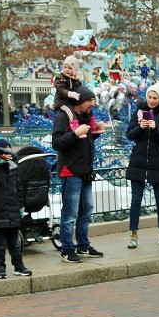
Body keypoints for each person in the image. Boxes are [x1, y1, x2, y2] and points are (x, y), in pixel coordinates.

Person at [51, 85, 106, 262]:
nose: (93, 104)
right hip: (70, 171)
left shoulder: (86, 116)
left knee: (86, 210)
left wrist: (95, 132)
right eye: (90, 100)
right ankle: (67, 248)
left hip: (84, 170)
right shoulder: (63, 115)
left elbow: (83, 141)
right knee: (70, 213)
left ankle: (83, 245)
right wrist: (75, 133)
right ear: (79, 100)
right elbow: (57, 143)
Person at [125, 82, 159, 249]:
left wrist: (155, 128)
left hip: (158, 162)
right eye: (150, 97)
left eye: (155, 98)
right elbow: (130, 135)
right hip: (138, 162)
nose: (152, 100)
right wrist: (140, 127)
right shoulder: (139, 112)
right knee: (136, 200)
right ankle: (133, 234)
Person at [0, 139, 32, 278]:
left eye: (8, 148)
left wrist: (20, 206)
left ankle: (19, 266)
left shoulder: (13, 168)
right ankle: (1, 267)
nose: (8, 151)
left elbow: (19, 189)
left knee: (15, 244)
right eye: (3, 149)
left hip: (12, 212)